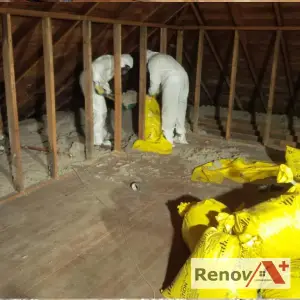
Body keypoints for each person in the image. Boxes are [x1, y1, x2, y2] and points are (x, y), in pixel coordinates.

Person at [79, 54, 133, 147]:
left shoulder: (113, 68)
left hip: (93, 81)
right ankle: (97, 141)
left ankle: (101, 135)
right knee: (99, 111)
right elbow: (95, 67)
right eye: (124, 69)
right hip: (89, 80)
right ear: (122, 62)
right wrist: (96, 83)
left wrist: (108, 92)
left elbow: (104, 80)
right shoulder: (109, 60)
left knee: (102, 111)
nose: (123, 72)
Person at [146, 50, 189, 146]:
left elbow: (155, 84)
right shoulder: (166, 57)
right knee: (180, 107)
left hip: (172, 79)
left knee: (169, 107)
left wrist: (150, 94)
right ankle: (181, 136)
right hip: (184, 77)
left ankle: (168, 139)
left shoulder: (153, 61)